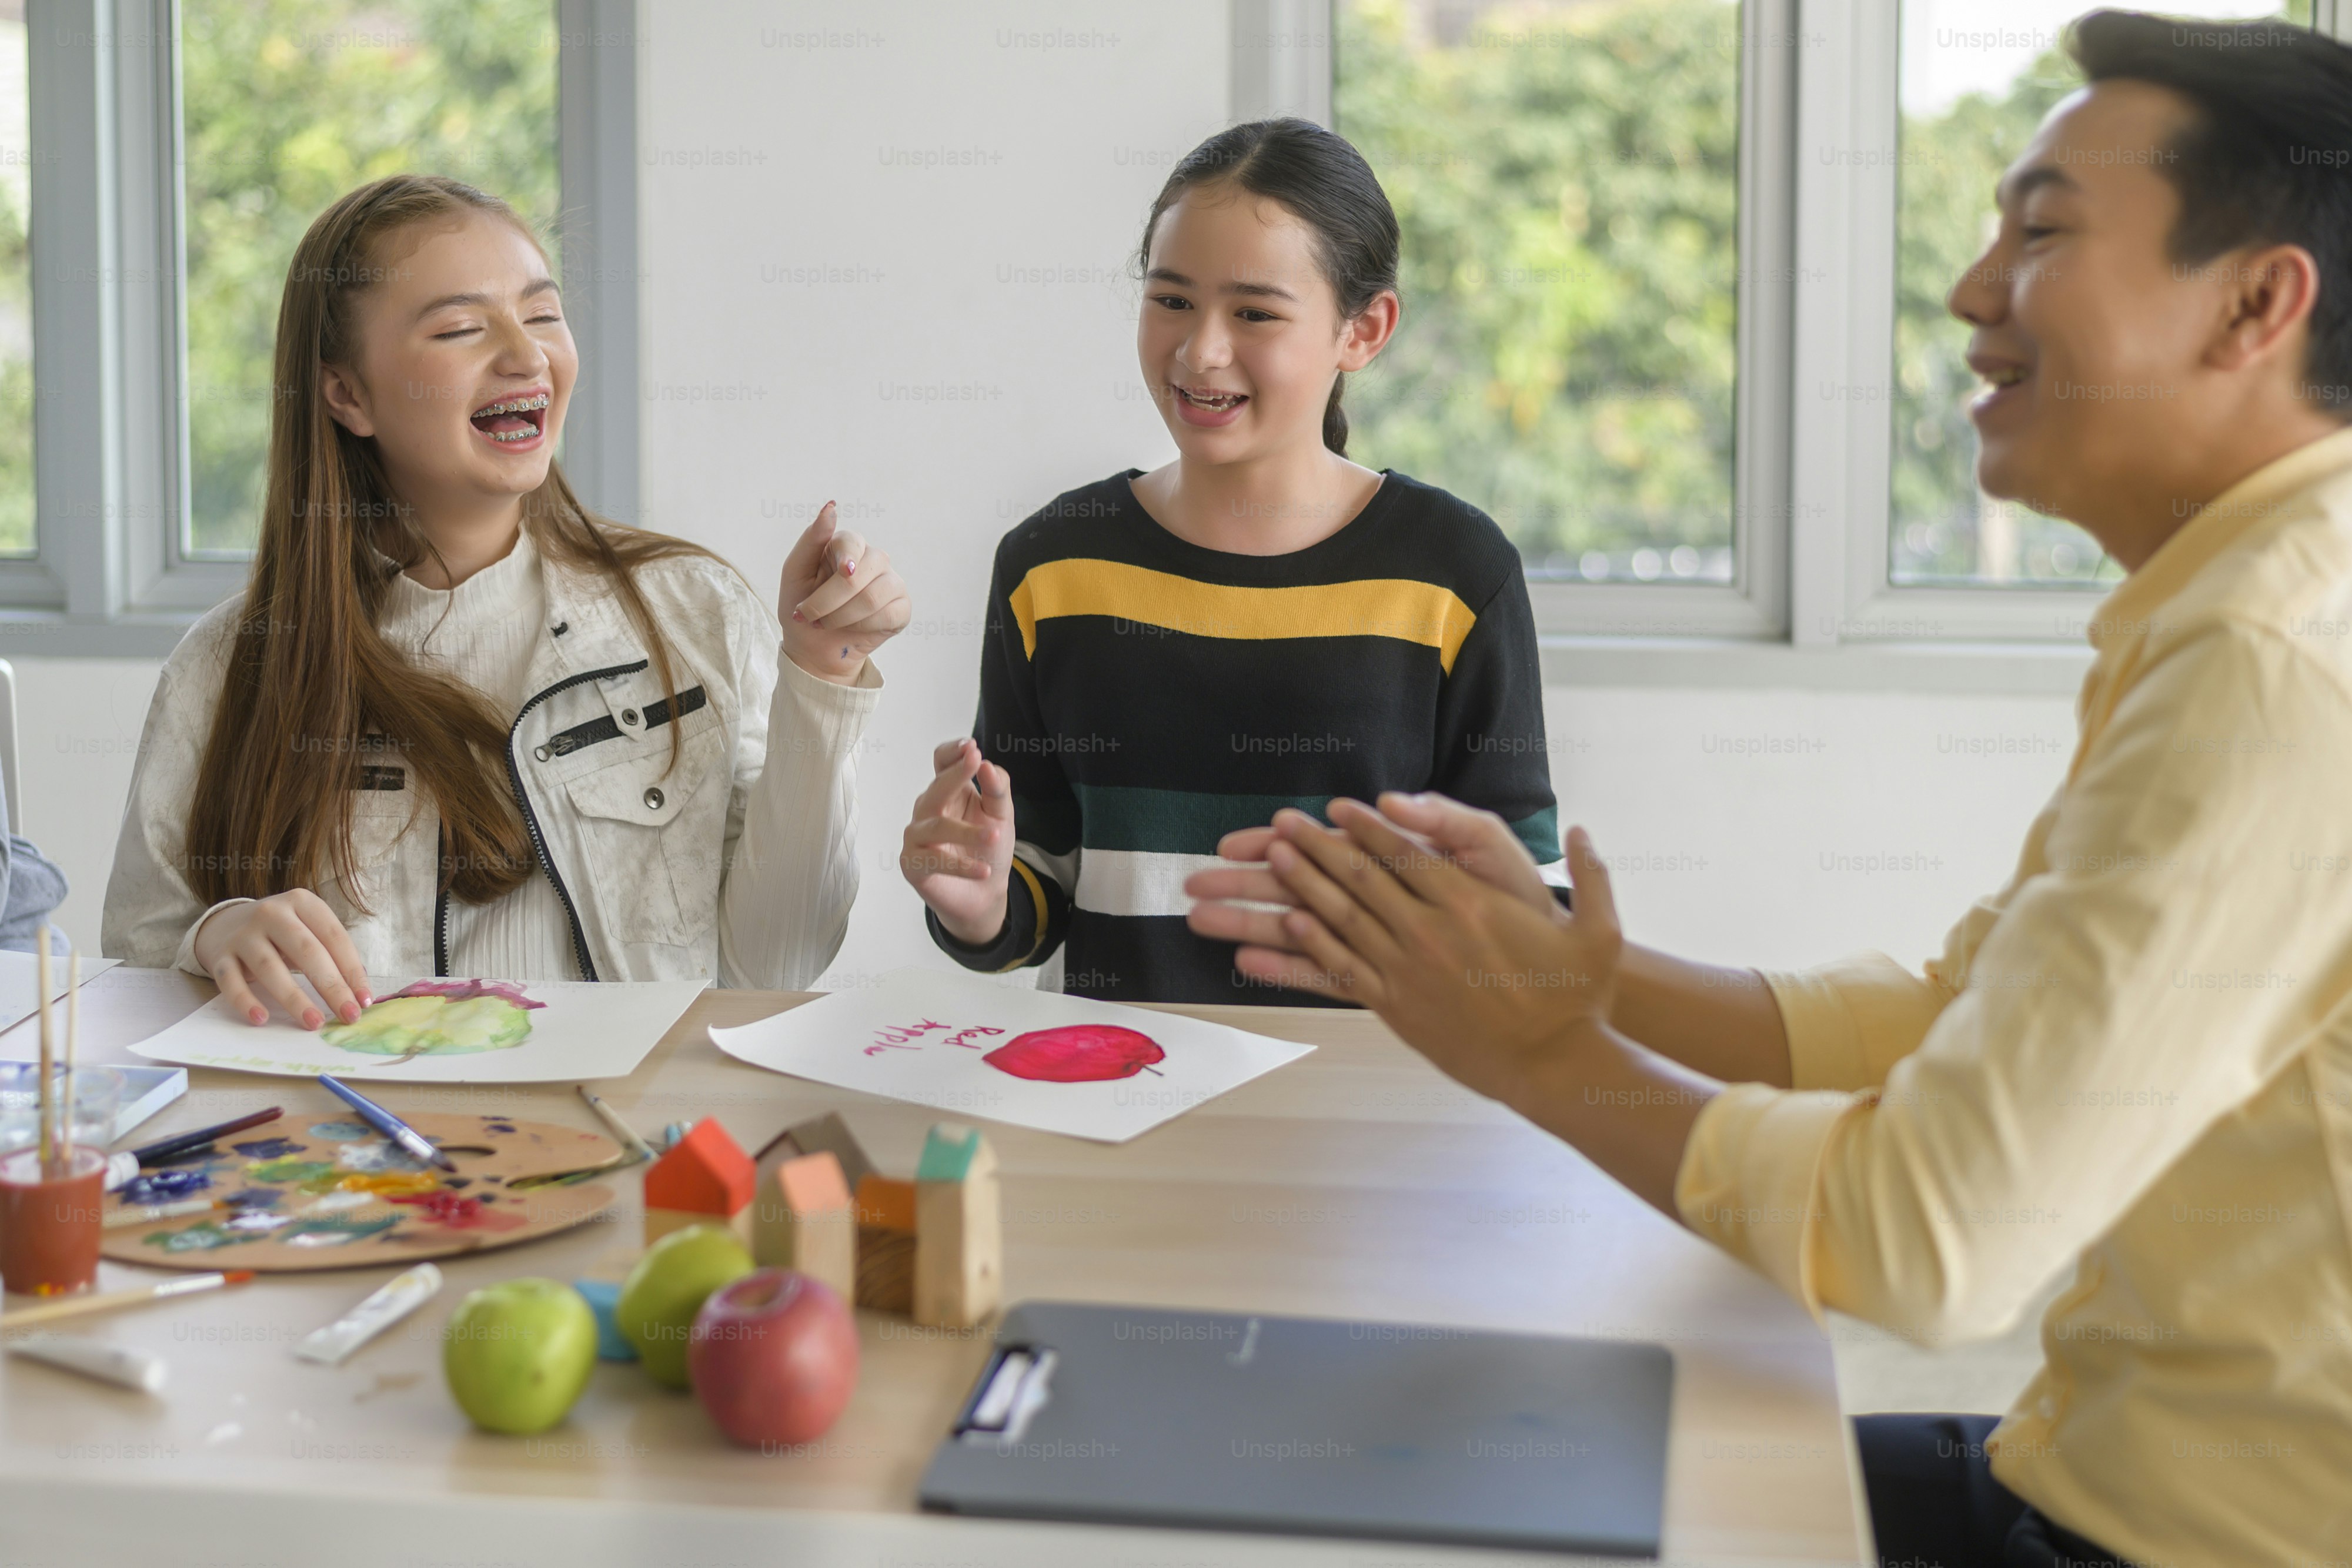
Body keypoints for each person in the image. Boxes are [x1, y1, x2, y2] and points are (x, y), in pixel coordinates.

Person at [1189, 14, 2352, 1567]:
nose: (1971, 289)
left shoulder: (2273, 660)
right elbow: (1964, 1007)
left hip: (2179, 1539)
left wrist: (1541, 1055)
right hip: (2082, 1462)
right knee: (1503, 1453)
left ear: (2258, 305)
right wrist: (1592, 980)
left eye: (2046, 230)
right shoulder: (2252, 604)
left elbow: (1926, 1238)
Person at [103, 175, 908, 1025]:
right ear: (347, 394)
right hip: (369, 1145)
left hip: (632, 1131)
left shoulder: (692, 612)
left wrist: (825, 672)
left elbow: (772, 966)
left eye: (542, 314)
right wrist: (218, 933)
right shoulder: (234, 663)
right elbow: (136, 948)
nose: (525, 357)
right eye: (459, 328)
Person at [902, 118, 1562, 1006]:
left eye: (1254, 312)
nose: (1200, 349)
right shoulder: (1049, 567)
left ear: (1363, 330)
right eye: (1171, 300)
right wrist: (979, 905)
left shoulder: (1453, 571)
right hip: (1118, 1101)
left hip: (1367, 1113)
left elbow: (1525, 909)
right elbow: (1041, 879)